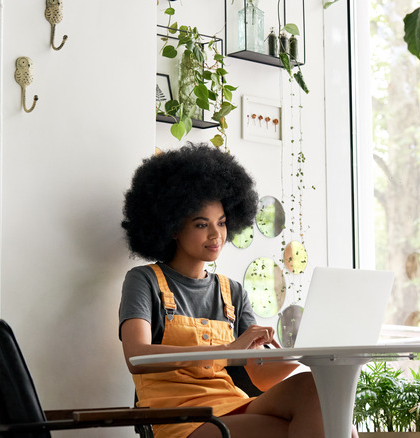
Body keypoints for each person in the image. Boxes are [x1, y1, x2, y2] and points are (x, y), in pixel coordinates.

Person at [118, 143, 327, 438]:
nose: (216, 235)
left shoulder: (233, 292)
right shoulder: (144, 280)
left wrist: (302, 354)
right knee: (318, 426)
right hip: (182, 420)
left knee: (314, 389)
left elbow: (260, 377)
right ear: (173, 227)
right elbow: (136, 357)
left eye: (222, 223)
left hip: (232, 405)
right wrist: (227, 349)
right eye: (202, 224)